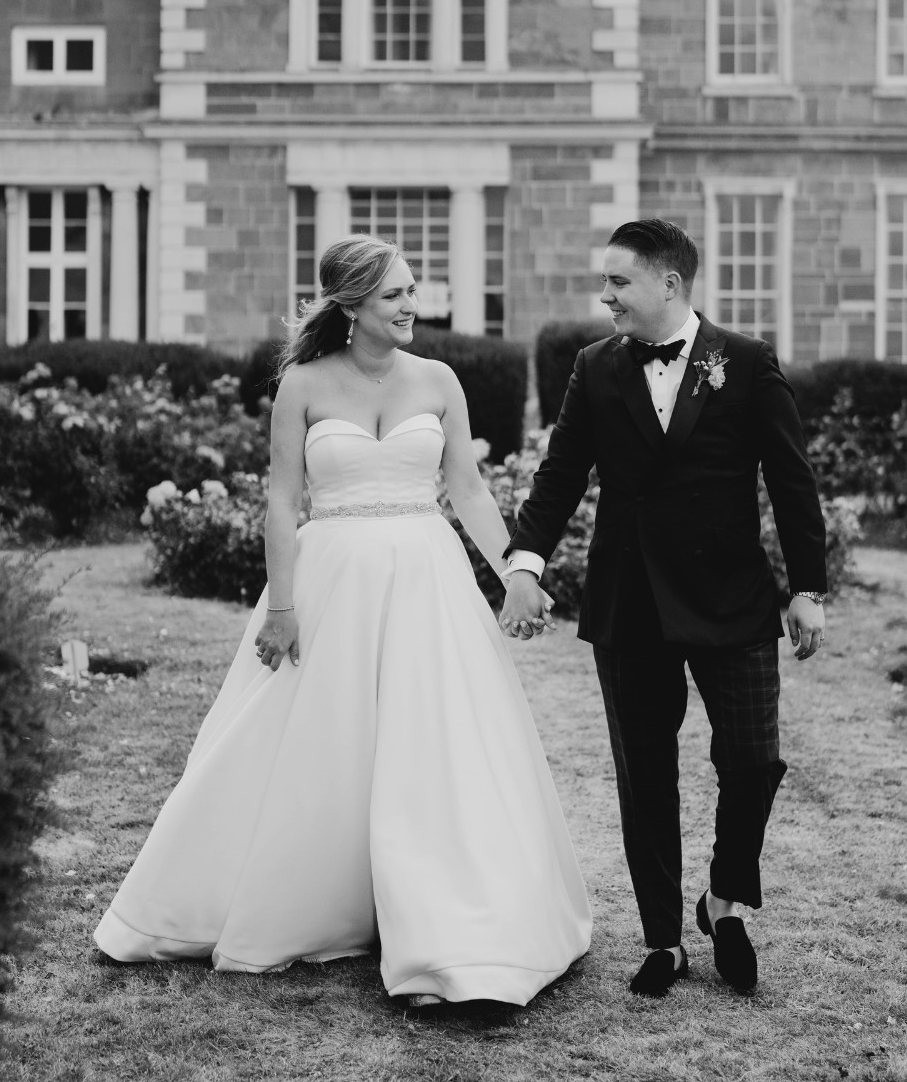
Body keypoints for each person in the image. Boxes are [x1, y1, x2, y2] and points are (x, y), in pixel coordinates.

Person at [95, 235, 592, 1007]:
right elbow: (284, 502)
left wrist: (515, 573)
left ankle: (451, 927)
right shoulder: (302, 384)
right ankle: (300, 897)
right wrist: (283, 605)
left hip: (428, 583)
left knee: (437, 746)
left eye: (413, 290)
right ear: (352, 305)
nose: (412, 305)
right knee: (318, 744)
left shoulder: (440, 381)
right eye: (394, 294)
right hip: (329, 587)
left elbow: (467, 489)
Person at [499, 218, 826, 999]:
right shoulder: (594, 368)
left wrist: (807, 590)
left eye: (617, 282)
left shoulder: (743, 364)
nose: (603, 295)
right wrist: (523, 563)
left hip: (733, 599)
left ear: (668, 284)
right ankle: (663, 940)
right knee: (645, 776)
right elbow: (560, 474)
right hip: (631, 602)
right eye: (604, 282)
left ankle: (722, 900)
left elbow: (792, 480)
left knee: (753, 759)